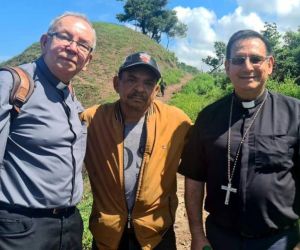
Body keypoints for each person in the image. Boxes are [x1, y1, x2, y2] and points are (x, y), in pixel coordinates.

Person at [178, 29, 300, 250]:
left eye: (256, 59)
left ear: (270, 64)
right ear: (227, 67)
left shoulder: (295, 114)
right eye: (238, 60)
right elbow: (194, 178)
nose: (247, 67)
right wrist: (196, 234)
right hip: (220, 238)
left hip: (279, 241)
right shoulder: (208, 117)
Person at [0, 12, 96, 250]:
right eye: (65, 37)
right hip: (22, 229)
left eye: (83, 45)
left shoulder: (70, 97)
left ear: (88, 61)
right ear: (45, 42)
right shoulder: (13, 84)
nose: (73, 48)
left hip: (69, 225)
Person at [81, 51, 192, 250]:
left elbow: (202, 158)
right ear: (117, 83)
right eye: (131, 80)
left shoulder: (177, 121)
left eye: (148, 83)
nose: (140, 88)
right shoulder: (92, 120)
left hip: (156, 234)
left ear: (156, 89)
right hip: (108, 234)